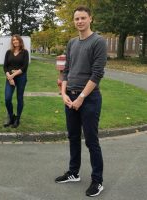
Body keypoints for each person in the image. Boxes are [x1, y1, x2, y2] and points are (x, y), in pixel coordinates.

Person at [54, 6, 107, 197]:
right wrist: (64, 93)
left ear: (90, 19)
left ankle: (97, 181)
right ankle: (73, 172)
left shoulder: (98, 41)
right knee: (73, 137)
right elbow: (66, 70)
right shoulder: (72, 43)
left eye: (83, 18)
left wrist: (81, 98)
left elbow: (97, 74)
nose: (80, 21)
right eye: (76, 19)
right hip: (70, 96)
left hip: (89, 99)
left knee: (91, 141)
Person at [3, 34, 29, 128]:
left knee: (19, 98)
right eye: (13, 40)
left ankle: (17, 119)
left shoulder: (25, 52)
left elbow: (24, 67)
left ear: (20, 41)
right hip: (10, 77)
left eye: (16, 40)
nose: (15, 41)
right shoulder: (8, 52)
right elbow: (5, 67)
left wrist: (13, 75)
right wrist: (9, 77)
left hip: (21, 77)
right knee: (7, 98)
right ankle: (11, 117)